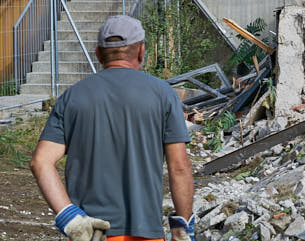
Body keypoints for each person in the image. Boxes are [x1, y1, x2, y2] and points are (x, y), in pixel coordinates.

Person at [29, 14, 195, 241]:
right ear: (141, 51)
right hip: (145, 233)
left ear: (98, 54)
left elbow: (41, 162)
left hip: (92, 234)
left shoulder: (73, 97)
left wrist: (69, 217)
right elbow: (179, 167)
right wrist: (183, 224)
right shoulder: (163, 94)